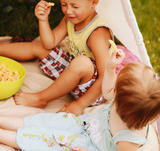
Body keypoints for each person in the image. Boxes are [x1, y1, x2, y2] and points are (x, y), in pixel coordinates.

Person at [0, 0, 113, 115]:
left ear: (94, 2)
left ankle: (41, 98)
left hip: (94, 91)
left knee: (83, 63)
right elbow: (49, 43)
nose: (68, 11)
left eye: (75, 6)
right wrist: (43, 20)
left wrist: (79, 105)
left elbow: (104, 78)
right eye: (64, 4)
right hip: (73, 74)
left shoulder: (97, 33)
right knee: (40, 47)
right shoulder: (70, 20)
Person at [0, 49, 159, 151]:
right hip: (82, 124)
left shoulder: (128, 140)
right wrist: (110, 68)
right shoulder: (125, 104)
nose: (113, 92)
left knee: (45, 144)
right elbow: (107, 91)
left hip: (87, 146)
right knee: (47, 122)